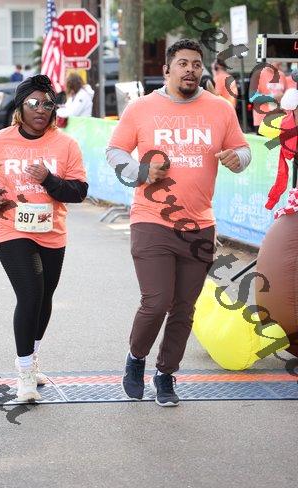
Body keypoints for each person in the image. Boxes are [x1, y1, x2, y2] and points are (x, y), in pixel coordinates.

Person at [106, 39, 251, 407]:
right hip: (151, 219)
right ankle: (136, 358)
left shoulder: (220, 109)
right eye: (183, 63)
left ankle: (166, 373)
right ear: (167, 70)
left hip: (199, 225)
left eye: (196, 64)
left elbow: (242, 149)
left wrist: (238, 159)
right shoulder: (141, 108)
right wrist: (140, 171)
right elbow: (115, 150)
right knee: (156, 301)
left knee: (184, 308)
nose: (190, 70)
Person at [0, 74, 88, 402]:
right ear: (20, 107)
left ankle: (32, 357)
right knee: (31, 294)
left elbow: (78, 191)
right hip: (12, 229)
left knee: (45, 298)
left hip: (52, 232)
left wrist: (49, 180)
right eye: (34, 103)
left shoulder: (66, 145)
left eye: (48, 104)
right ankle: (25, 374)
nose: (41, 109)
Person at [250, 61, 287, 132]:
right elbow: (252, 97)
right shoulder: (258, 74)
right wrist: (272, 97)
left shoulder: (282, 75)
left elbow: (285, 94)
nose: (279, 63)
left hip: (279, 119)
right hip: (262, 120)